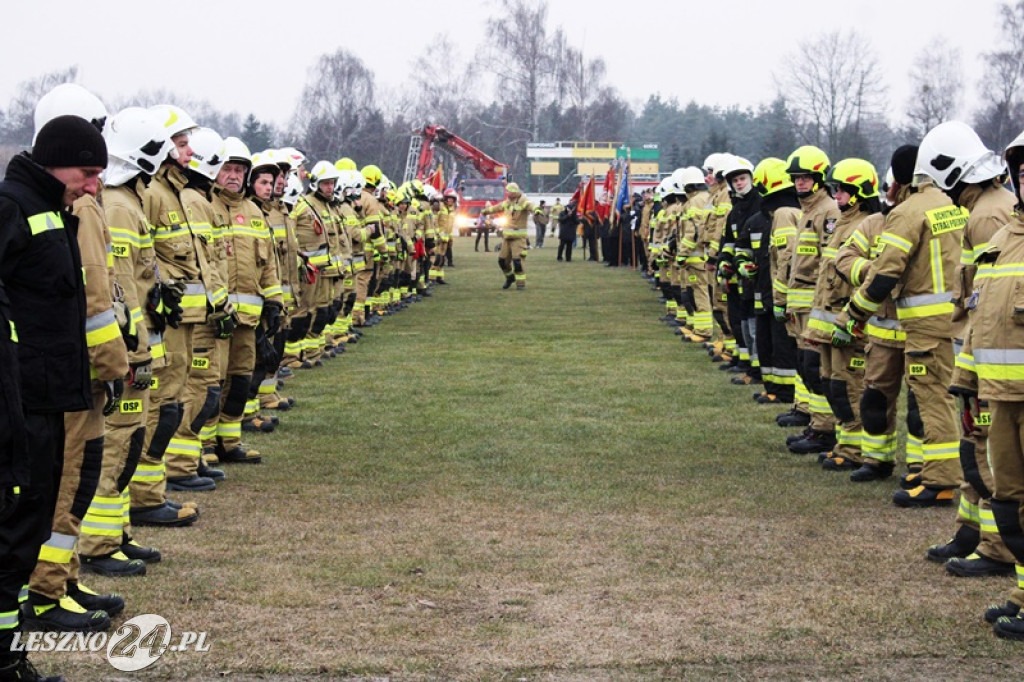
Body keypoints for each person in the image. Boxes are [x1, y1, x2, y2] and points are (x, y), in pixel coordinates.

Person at [0, 113, 108, 681]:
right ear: (54, 160)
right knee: (12, 536)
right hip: (18, 407)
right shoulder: (13, 207)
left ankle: (11, 658)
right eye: (87, 172)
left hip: (47, 402)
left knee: (27, 536)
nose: (93, 186)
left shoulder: (51, 209)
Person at [836, 122, 971, 507]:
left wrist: (855, 312)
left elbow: (886, 273)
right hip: (955, 320)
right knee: (938, 399)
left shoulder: (909, 212)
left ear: (901, 176)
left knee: (931, 401)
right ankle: (935, 474)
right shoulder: (952, 206)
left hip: (924, 326)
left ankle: (941, 481)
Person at [482, 182, 533, 290]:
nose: (507, 193)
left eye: (508, 191)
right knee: (502, 261)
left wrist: (537, 210)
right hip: (507, 238)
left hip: (518, 239)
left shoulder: (523, 201)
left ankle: (520, 284)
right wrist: (485, 211)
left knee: (517, 261)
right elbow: (496, 208)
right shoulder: (507, 203)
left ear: (514, 192)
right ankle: (509, 277)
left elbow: (531, 206)